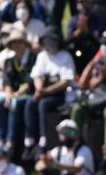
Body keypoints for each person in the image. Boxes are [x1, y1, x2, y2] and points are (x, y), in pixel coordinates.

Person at [22, 29, 75, 159]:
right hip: (43, 92)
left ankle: (43, 139)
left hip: (60, 95)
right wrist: (40, 90)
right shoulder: (42, 56)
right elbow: (37, 76)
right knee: (30, 102)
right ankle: (29, 140)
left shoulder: (65, 57)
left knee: (43, 105)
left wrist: (46, 92)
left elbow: (66, 81)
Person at [0, 29, 34, 150]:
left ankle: (10, 141)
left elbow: (31, 81)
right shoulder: (10, 61)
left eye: (19, 42)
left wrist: (16, 94)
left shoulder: (32, 59)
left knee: (13, 104)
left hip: (29, 94)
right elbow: (7, 79)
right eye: (14, 43)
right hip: (13, 94)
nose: (17, 45)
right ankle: (0, 139)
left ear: (25, 43)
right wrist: (9, 94)